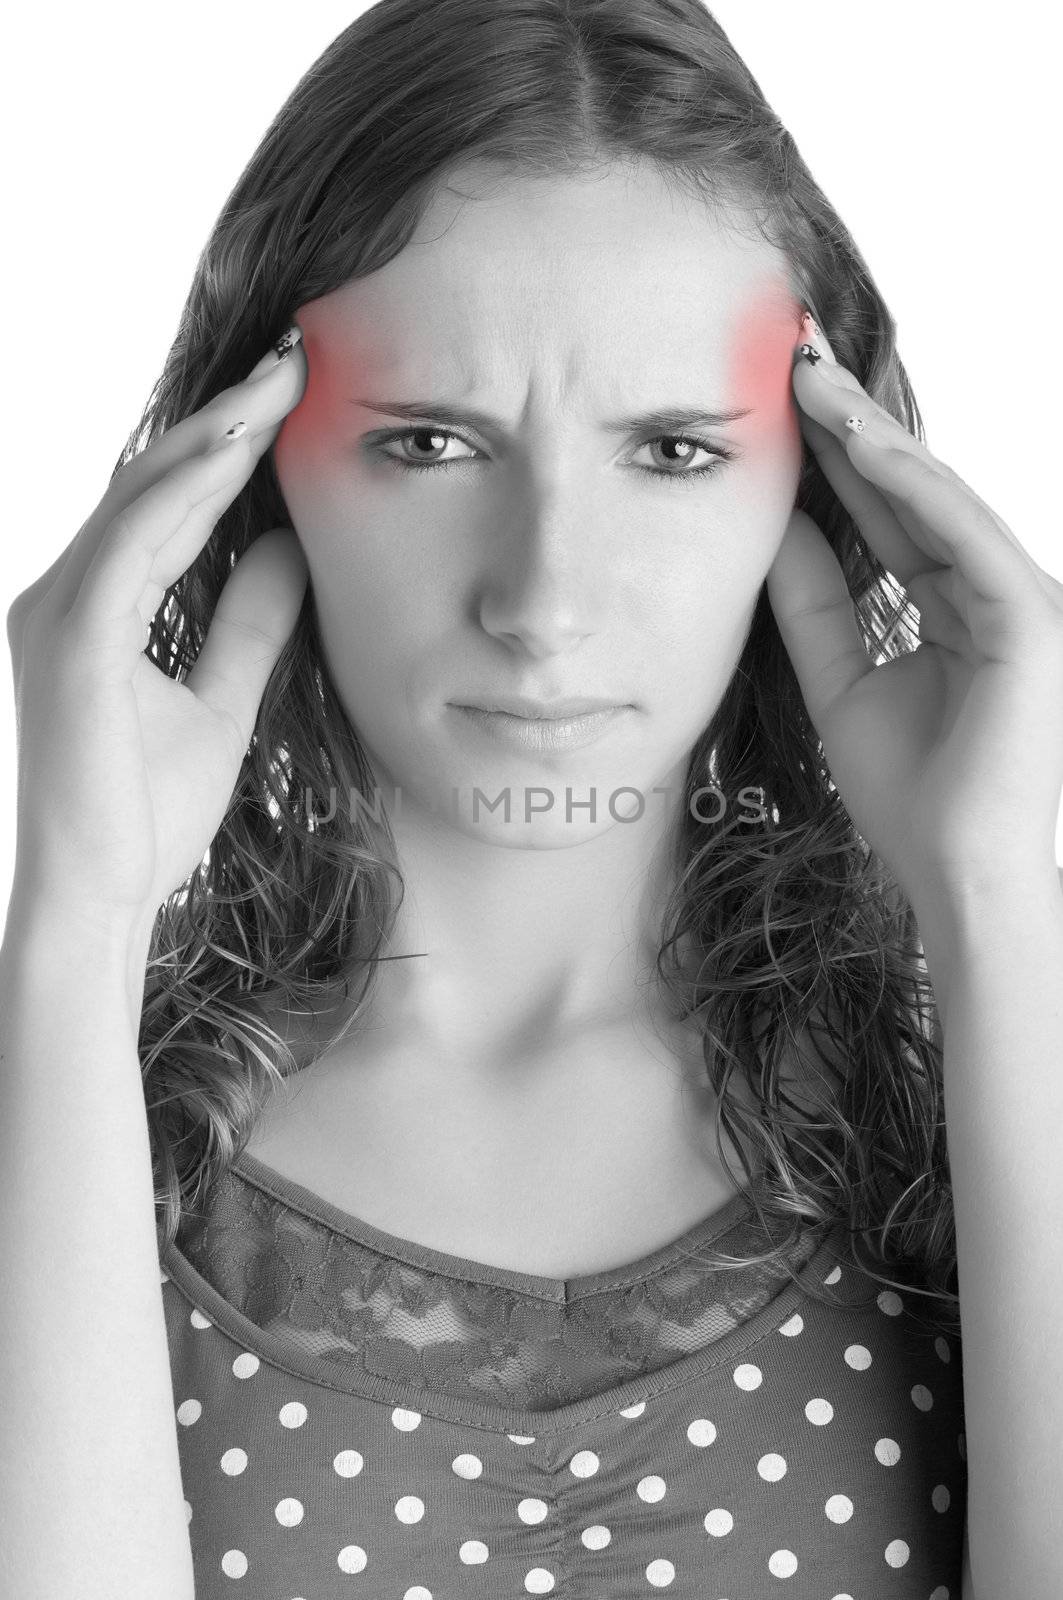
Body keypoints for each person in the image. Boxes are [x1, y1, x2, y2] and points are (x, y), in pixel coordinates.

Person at [4, 1, 1062, 1596]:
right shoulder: (77, 1113)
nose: (543, 599)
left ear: (827, 481)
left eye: (675, 452)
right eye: (429, 442)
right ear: (250, 462)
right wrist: (75, 928)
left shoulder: (965, 1097)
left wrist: (994, 903)